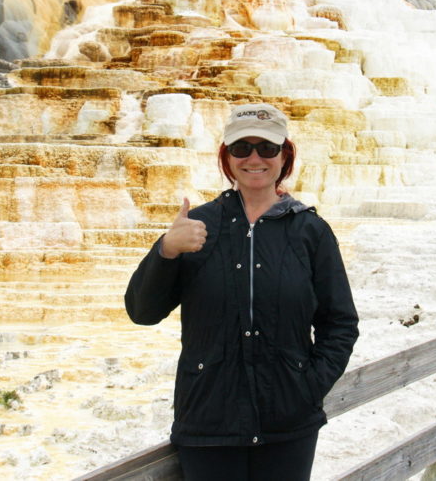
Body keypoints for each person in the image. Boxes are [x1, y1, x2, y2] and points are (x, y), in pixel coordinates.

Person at [125, 102, 359, 481]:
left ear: (285, 155)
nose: (255, 158)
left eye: (267, 148)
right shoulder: (195, 226)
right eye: (241, 148)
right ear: (226, 156)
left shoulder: (310, 232)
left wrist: (307, 385)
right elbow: (141, 312)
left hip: (288, 423)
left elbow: (341, 323)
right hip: (209, 421)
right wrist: (165, 251)